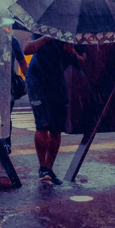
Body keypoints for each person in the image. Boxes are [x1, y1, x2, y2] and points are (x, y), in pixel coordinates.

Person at [24, 34, 85, 185]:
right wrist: (46, 38)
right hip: (37, 80)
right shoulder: (47, 27)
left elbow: (82, 62)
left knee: (56, 129)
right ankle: (42, 168)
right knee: (43, 124)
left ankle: (49, 169)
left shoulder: (75, 34)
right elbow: (26, 49)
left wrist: (73, 52)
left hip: (57, 81)